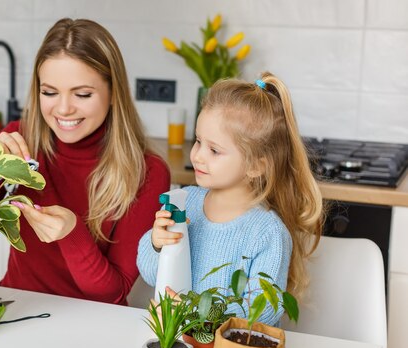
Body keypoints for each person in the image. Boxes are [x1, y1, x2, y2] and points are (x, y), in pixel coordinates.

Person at [0, 18, 170, 305]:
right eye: (50, 92)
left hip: (94, 322)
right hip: (17, 305)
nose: (64, 109)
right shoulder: (18, 141)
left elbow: (114, 292)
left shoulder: (148, 172)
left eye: (82, 94)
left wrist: (72, 235)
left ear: (113, 94)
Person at [137, 72, 324, 325]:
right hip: (179, 341)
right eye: (198, 141)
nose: (198, 156)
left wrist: (197, 314)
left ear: (256, 166)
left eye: (214, 150)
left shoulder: (266, 232)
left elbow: (264, 311)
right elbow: (151, 274)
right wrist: (157, 244)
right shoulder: (186, 201)